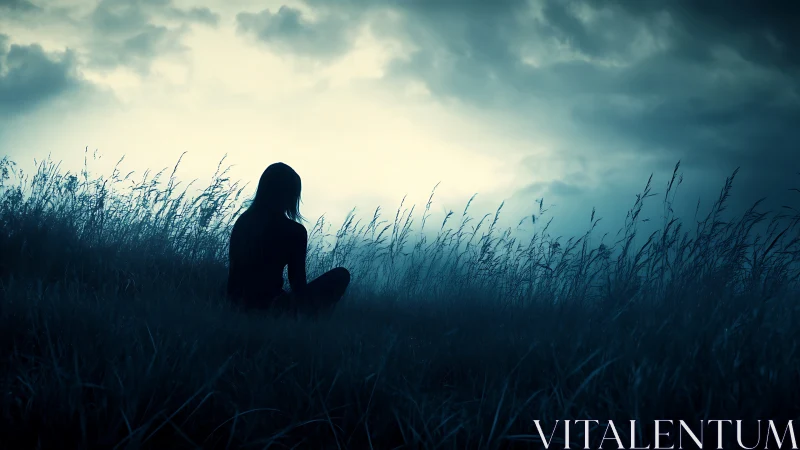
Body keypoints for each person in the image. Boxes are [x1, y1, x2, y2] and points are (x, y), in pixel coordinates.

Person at [227, 162, 350, 315]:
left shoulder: (243, 221)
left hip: (235, 303)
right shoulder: (294, 231)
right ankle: (307, 320)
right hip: (272, 307)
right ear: (290, 195)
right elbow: (298, 284)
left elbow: (235, 275)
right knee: (341, 275)